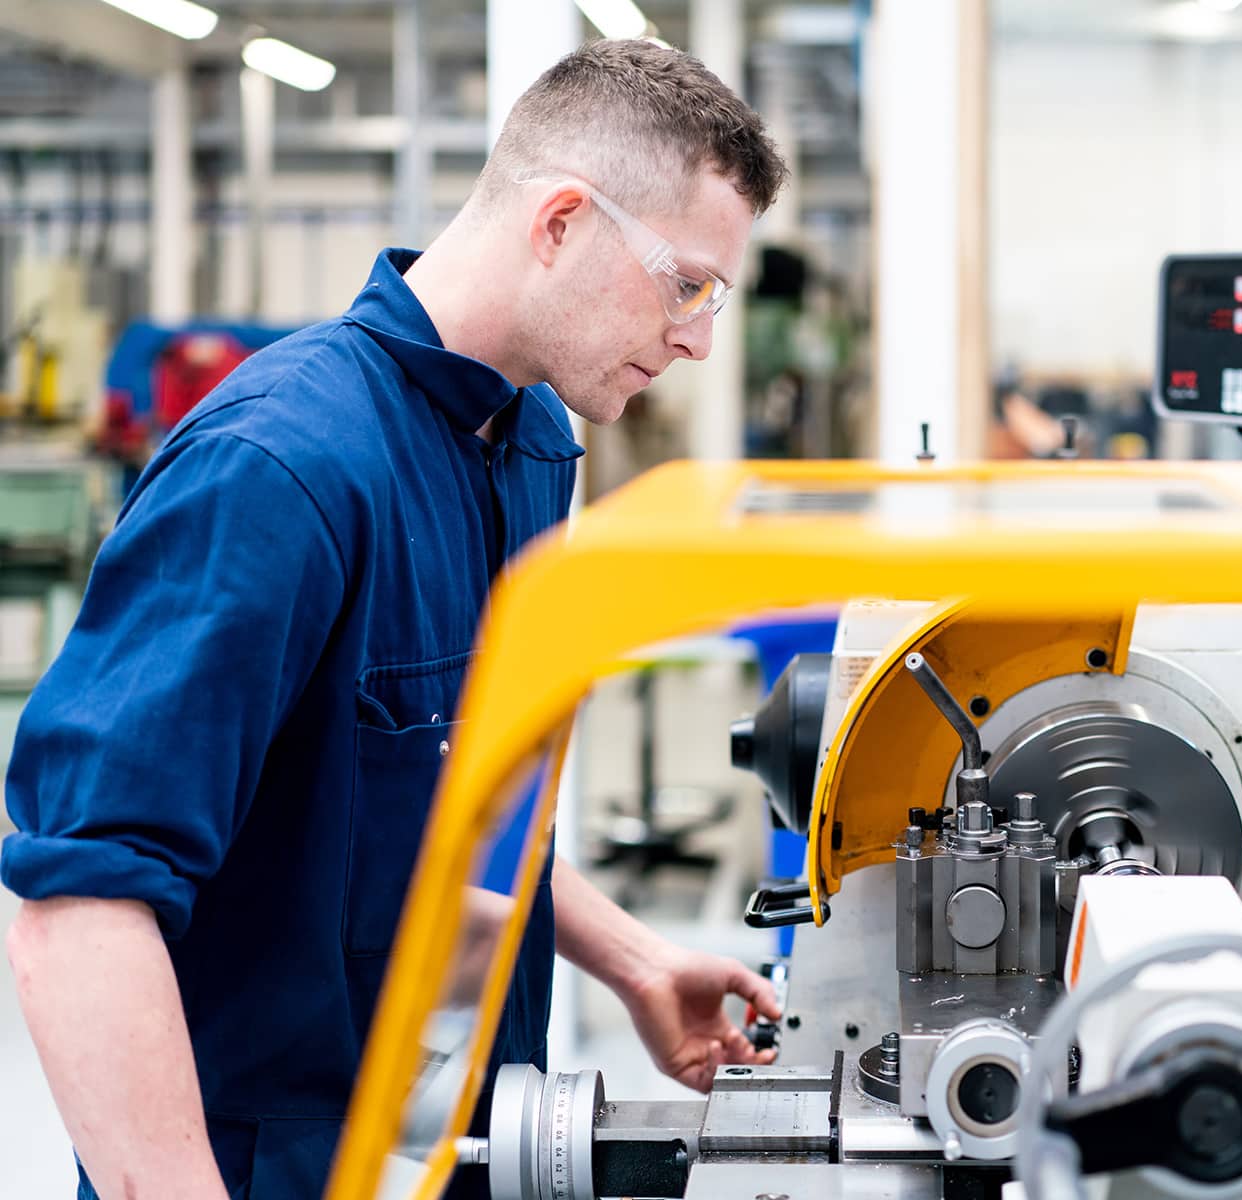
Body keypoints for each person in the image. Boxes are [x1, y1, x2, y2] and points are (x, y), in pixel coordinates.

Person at [3, 40, 788, 1200]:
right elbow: (83, 898)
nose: (697, 339)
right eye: (687, 286)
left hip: (462, 1143)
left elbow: (440, 793)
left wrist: (632, 957)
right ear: (562, 220)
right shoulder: (279, 468)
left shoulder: (531, 446)